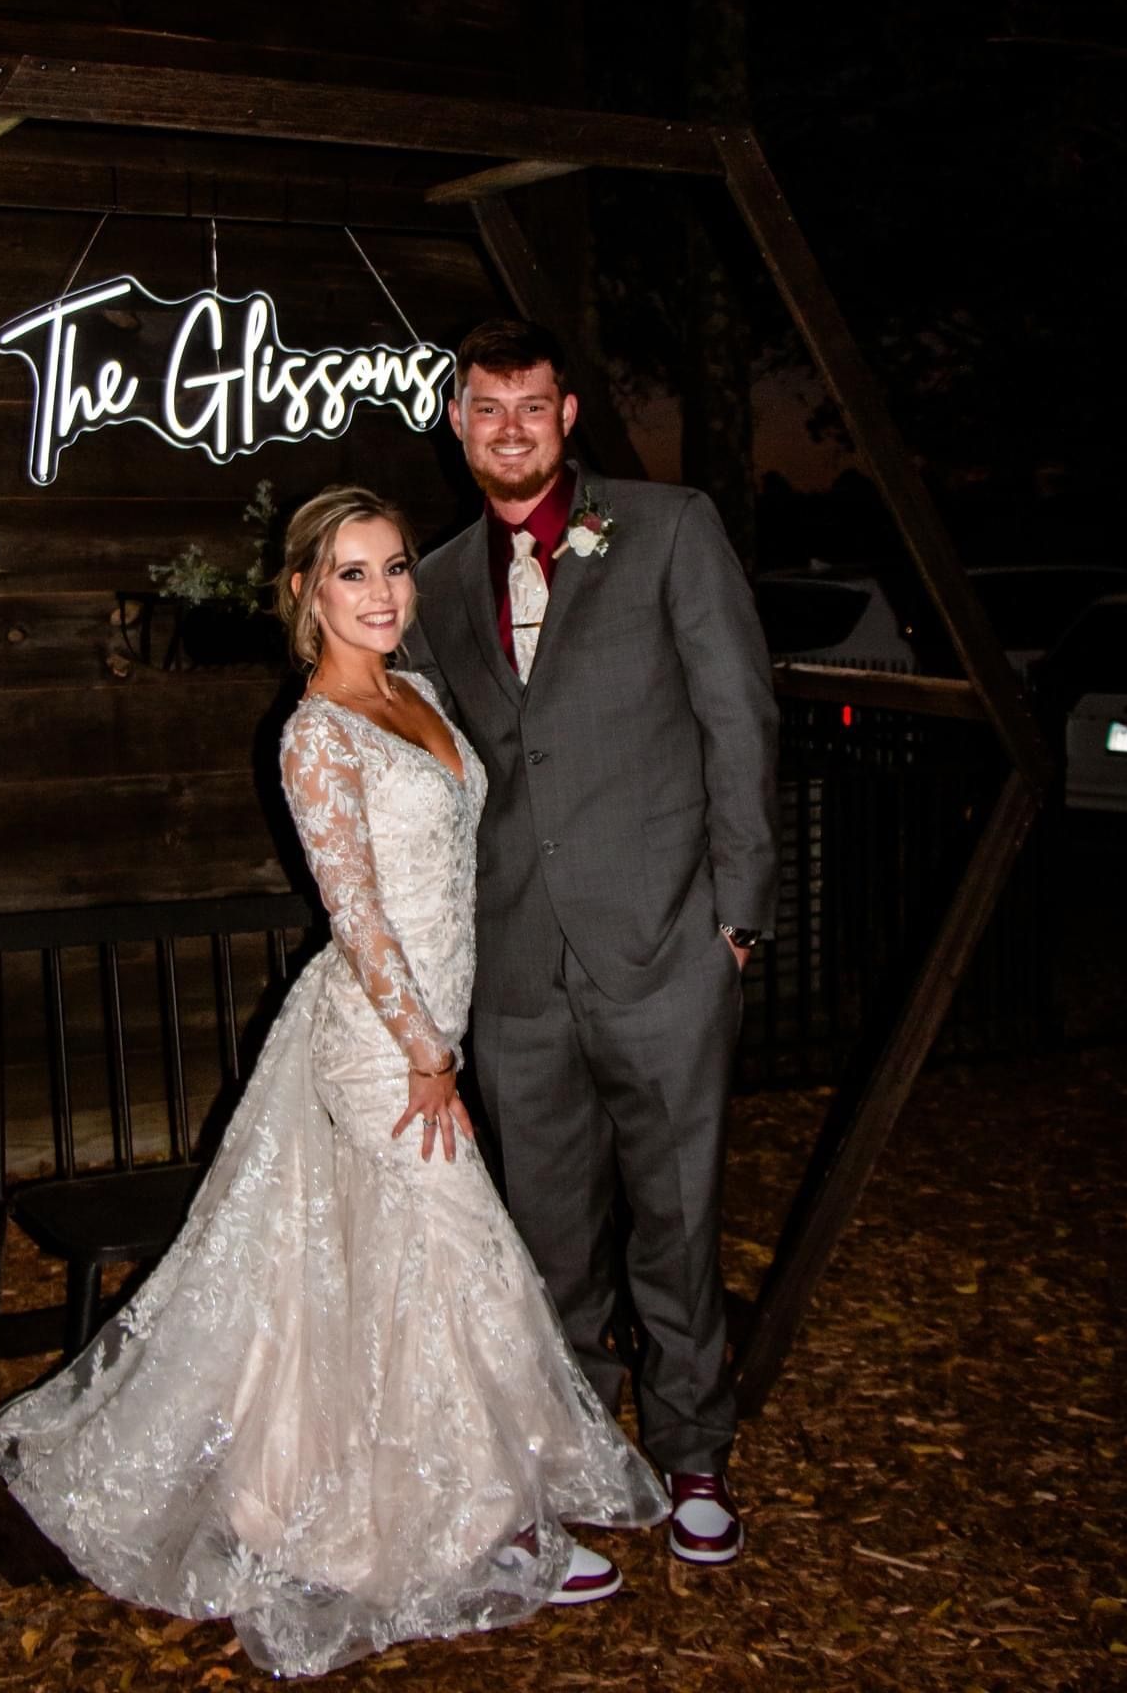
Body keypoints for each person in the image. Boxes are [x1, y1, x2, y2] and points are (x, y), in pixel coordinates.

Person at [0, 485, 666, 1680]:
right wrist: (427, 1056)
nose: (384, 590)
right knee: (456, 1256)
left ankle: (320, 1497)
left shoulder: (418, 693)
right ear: (304, 591)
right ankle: (471, 1522)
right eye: (352, 572)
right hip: (379, 1041)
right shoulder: (314, 733)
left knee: (362, 1280)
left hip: (430, 1023)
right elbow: (357, 920)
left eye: (395, 565)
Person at [404, 321, 780, 1567]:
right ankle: (570, 1459)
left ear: (567, 415)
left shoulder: (670, 527)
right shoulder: (441, 578)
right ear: (457, 421)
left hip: (667, 946)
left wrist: (737, 914)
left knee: (676, 1221)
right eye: (484, 406)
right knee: (544, 1237)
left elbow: (739, 714)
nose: (508, 426)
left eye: (530, 405)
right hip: (516, 968)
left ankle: (694, 1456)